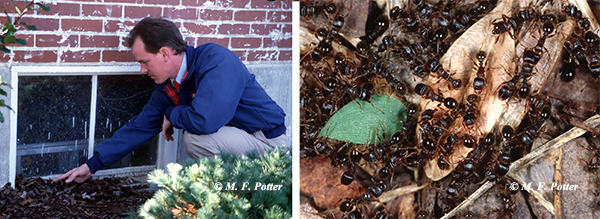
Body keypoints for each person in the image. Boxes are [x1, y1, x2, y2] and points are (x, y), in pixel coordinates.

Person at [54, 17, 287, 183]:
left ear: (165, 53)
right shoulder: (168, 86)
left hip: (267, 143)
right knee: (195, 136)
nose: (142, 71)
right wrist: (91, 166)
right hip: (239, 140)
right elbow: (139, 127)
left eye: (144, 61)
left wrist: (171, 114)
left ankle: (253, 185)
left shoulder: (216, 61)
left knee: (195, 138)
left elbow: (205, 121)